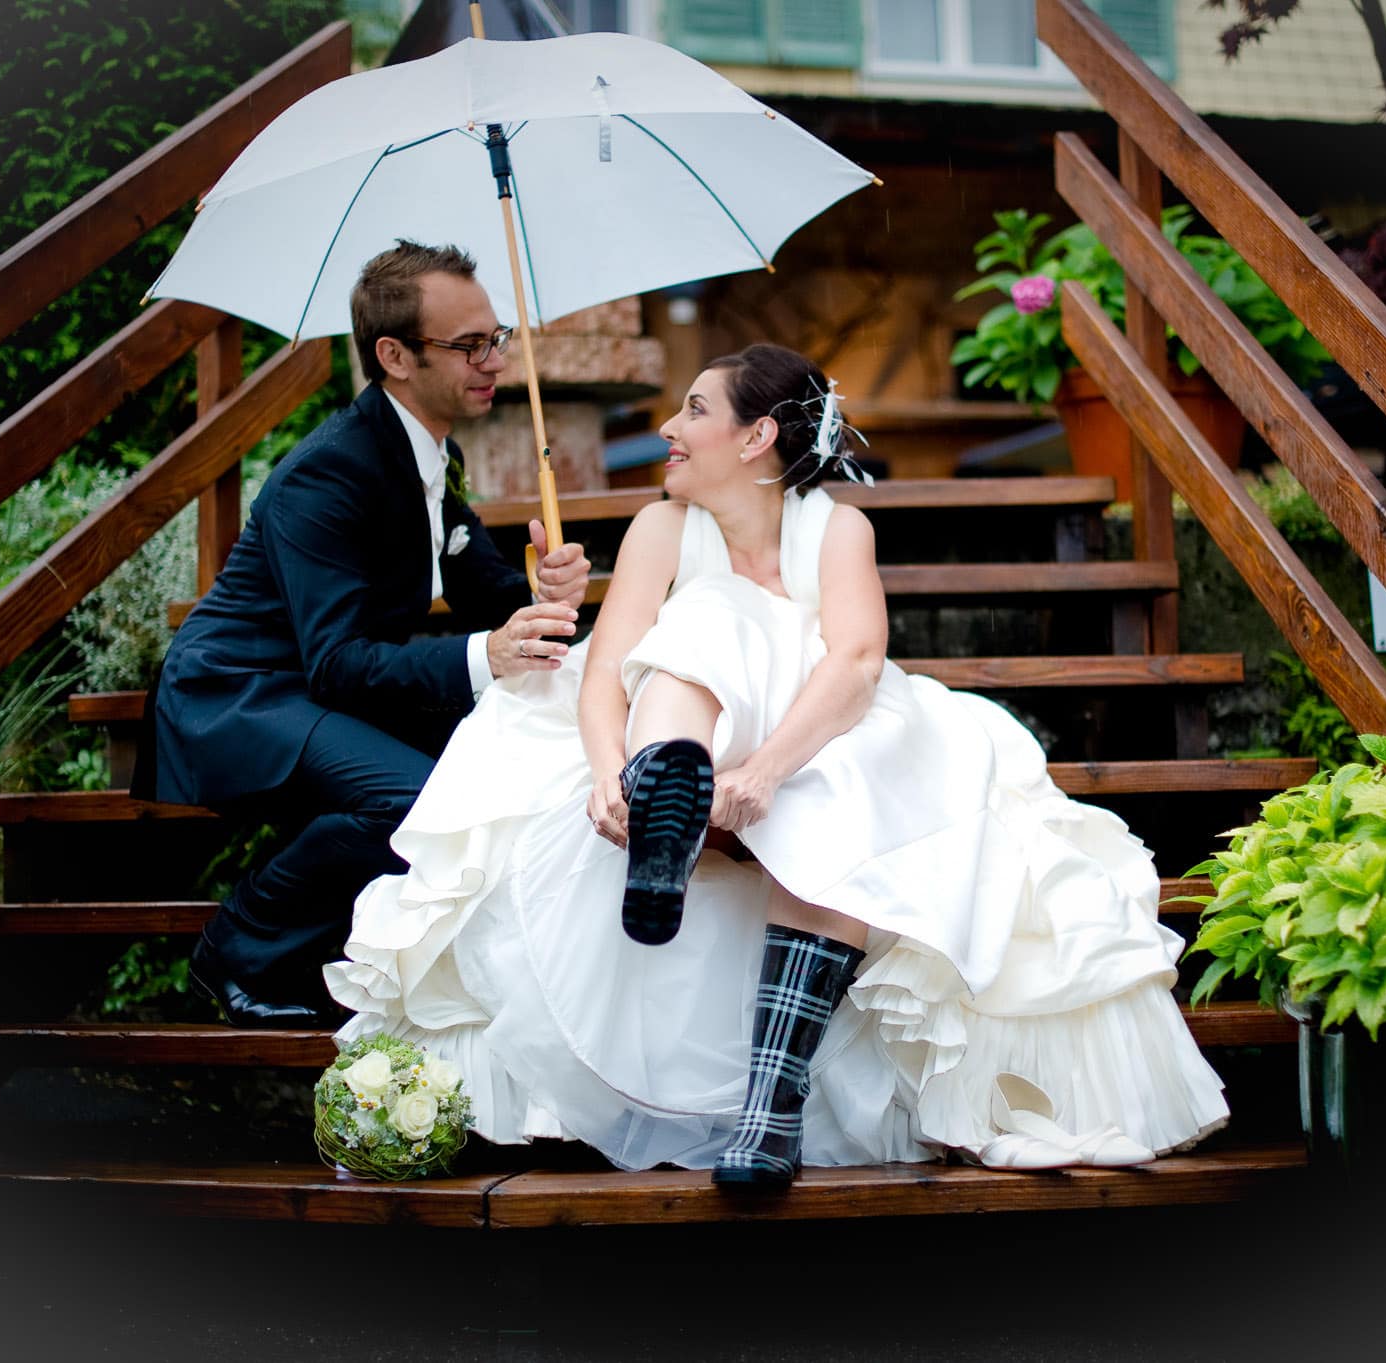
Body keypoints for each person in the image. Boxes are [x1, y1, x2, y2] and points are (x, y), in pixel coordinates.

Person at [324, 343, 1227, 1184]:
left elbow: (856, 665)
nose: (668, 430)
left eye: (693, 411)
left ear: (756, 436)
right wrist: (606, 769)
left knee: (835, 790)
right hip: (676, 726)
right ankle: (658, 794)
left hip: (811, 734)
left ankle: (771, 1102)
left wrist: (762, 776)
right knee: (701, 625)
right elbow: (607, 667)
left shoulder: (834, 531)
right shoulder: (659, 529)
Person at [147, 241, 591, 1027]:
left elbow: (487, 592)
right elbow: (338, 662)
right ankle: (238, 948)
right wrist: (485, 654)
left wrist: (545, 593)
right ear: (394, 355)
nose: (493, 360)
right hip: (240, 693)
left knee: (491, 768)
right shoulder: (328, 473)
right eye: (469, 345)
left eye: (496, 338)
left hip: (320, 690)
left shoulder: (430, 455)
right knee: (418, 797)